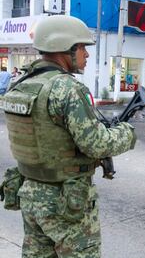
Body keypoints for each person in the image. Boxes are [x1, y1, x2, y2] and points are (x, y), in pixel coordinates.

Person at [0, 15, 137, 257]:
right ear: (65, 49)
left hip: (31, 194)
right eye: (82, 47)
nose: (87, 54)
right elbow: (97, 145)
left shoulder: (20, 85)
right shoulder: (68, 89)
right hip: (65, 201)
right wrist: (126, 133)